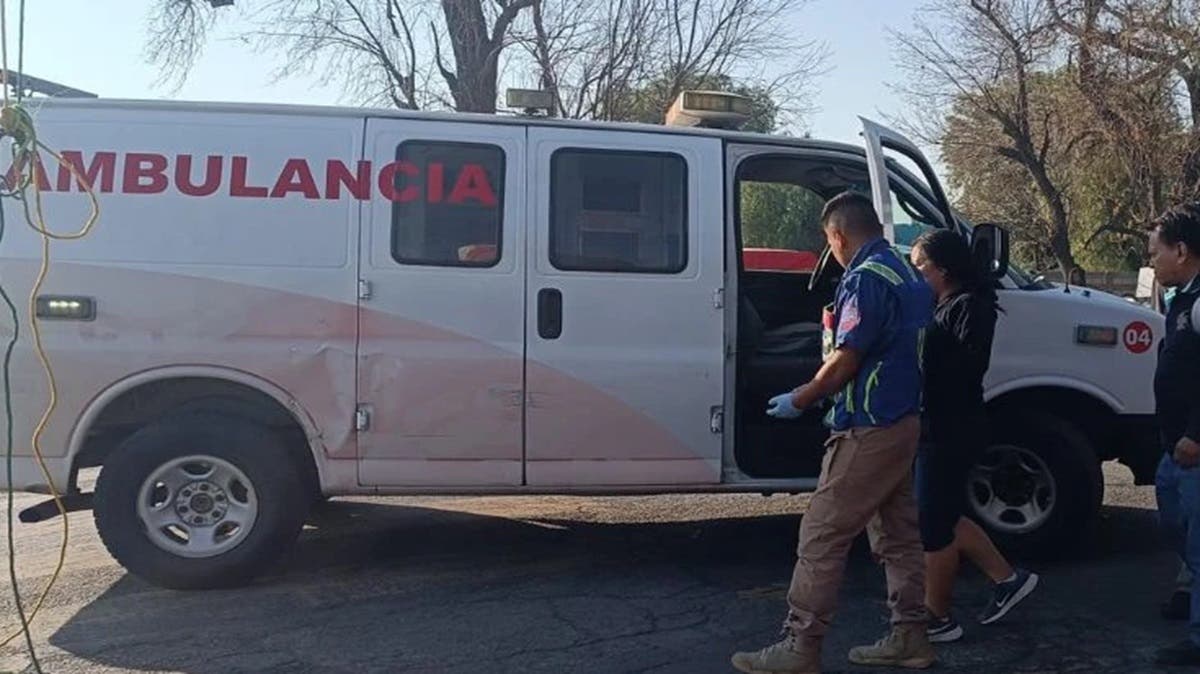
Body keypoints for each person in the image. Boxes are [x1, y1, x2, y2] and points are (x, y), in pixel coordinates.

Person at [731, 192, 935, 673]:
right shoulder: (906, 272)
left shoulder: (865, 280)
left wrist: (801, 398)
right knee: (900, 536)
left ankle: (801, 646)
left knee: (822, 535)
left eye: (829, 241)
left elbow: (846, 358)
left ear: (838, 235)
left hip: (869, 427)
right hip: (904, 421)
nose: (832, 249)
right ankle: (911, 636)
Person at [907, 230, 1039, 643]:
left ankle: (938, 617)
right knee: (944, 512)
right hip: (941, 425)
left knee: (933, 524)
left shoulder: (969, 308)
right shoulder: (944, 305)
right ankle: (1007, 578)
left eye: (920, 269)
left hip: (952, 428)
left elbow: (963, 369)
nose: (917, 278)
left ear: (942, 269)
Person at [1147, 201, 1200, 667]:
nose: (1152, 260)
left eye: (1156, 251)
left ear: (1181, 250)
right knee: (1174, 528)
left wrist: (1195, 434)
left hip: (1193, 448)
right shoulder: (1179, 298)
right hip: (1174, 449)